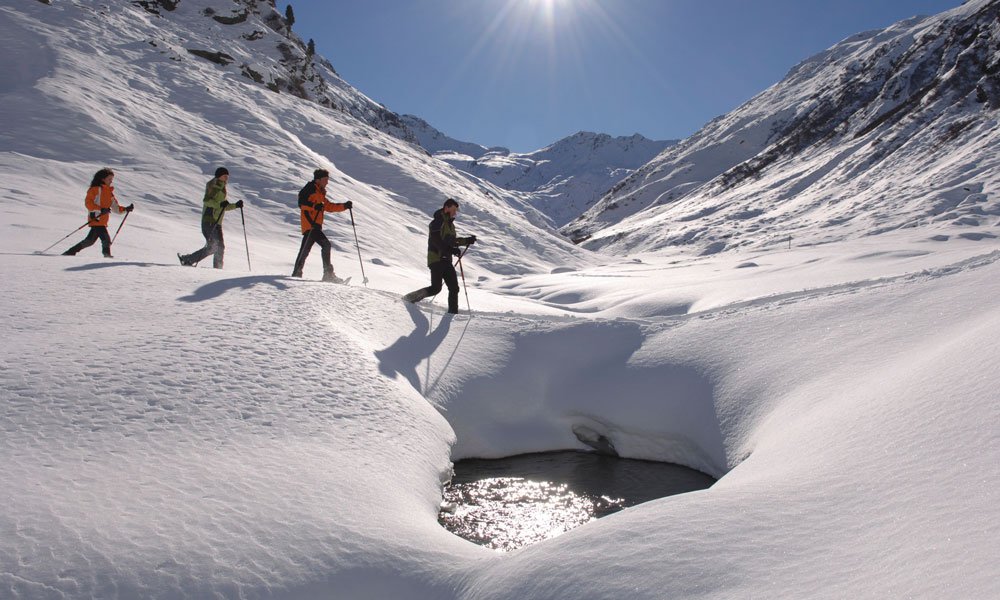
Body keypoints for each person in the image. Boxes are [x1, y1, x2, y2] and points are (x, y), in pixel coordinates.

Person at [403, 198, 477, 314]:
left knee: (454, 288)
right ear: (446, 208)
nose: (455, 213)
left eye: (456, 210)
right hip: (436, 259)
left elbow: (451, 241)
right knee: (436, 288)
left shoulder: (450, 226)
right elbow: (436, 239)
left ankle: (453, 313)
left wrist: (467, 240)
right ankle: (409, 298)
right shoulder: (438, 221)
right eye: (453, 210)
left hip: (446, 260)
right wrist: (450, 249)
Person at [292, 168, 352, 281]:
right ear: (318, 180)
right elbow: (302, 203)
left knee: (304, 250)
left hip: (315, 226)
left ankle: (296, 274)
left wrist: (344, 206)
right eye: (325, 180)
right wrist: (314, 207)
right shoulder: (310, 189)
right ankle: (328, 274)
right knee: (326, 245)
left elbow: (328, 207)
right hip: (311, 224)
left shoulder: (320, 193)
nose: (327, 182)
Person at [178, 167, 242, 268]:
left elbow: (222, 206)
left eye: (227, 176)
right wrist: (220, 204)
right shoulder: (213, 186)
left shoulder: (222, 188)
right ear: (219, 176)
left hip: (217, 223)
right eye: (224, 176)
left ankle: (214, 268)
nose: (226, 178)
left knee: (218, 247)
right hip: (209, 220)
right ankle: (190, 260)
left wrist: (236, 205)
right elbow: (207, 201)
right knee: (214, 246)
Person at [63, 168, 134, 257]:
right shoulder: (95, 189)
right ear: (102, 179)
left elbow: (116, 208)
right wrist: (101, 209)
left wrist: (126, 209)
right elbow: (88, 203)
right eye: (109, 179)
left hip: (103, 221)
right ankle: (107, 255)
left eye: (111, 180)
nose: (111, 182)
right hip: (96, 219)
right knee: (106, 239)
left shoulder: (109, 193)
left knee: (89, 241)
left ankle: (70, 252)